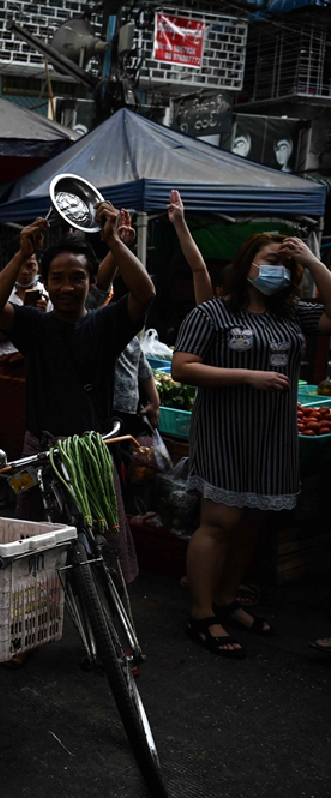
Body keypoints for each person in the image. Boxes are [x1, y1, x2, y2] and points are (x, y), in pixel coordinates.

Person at [172, 234, 331, 658]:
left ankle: (227, 600)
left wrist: (313, 262)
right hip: (225, 429)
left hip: (273, 434)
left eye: (285, 262)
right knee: (220, 521)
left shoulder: (293, 315)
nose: (279, 267)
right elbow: (183, 368)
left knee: (252, 522)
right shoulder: (213, 313)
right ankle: (202, 614)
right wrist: (248, 376)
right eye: (271, 259)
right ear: (248, 266)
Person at [0, 203, 156, 584]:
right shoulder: (34, 325)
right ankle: (35, 614)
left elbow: (144, 292)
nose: (66, 287)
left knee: (104, 542)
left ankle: (108, 615)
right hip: (39, 450)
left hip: (92, 451)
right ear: (45, 280)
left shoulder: (107, 323)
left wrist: (112, 240)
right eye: (57, 278)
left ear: (92, 280)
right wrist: (22, 254)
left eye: (77, 277)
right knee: (35, 542)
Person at [87, 212, 161, 434]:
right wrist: (115, 244)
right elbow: (100, 287)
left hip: (130, 408)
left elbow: (143, 369)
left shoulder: (124, 324)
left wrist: (154, 402)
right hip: (102, 408)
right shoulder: (87, 321)